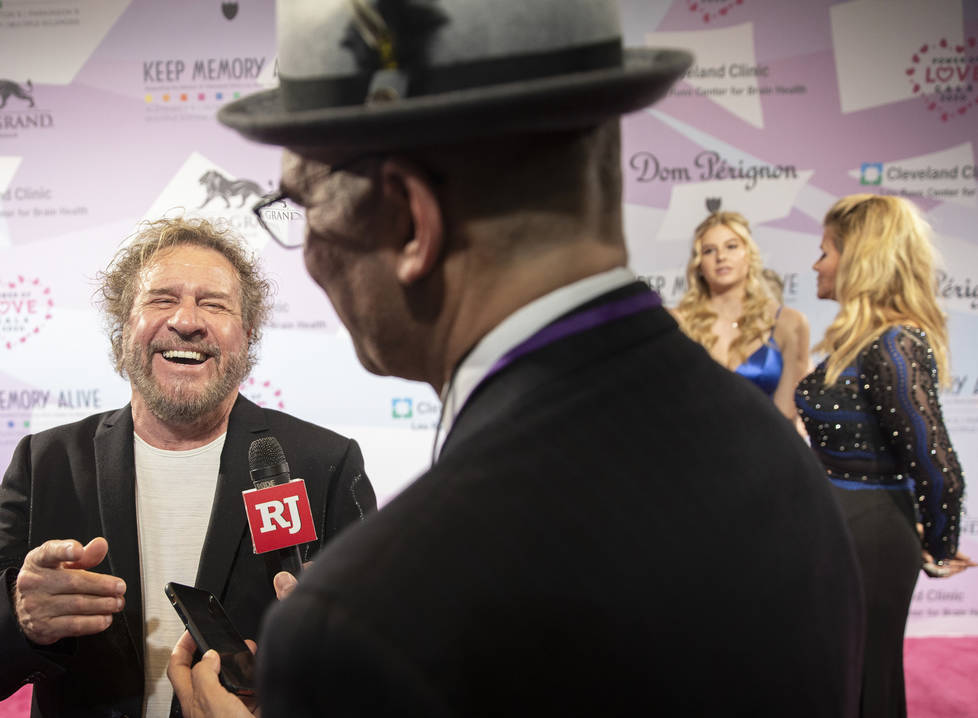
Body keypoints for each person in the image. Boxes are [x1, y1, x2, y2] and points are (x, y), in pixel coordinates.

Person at [170, 2, 864, 715]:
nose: (310, 255)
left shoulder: (369, 619)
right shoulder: (778, 455)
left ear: (410, 222)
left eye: (304, 204)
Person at [0, 217, 375, 718]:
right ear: (124, 328)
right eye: (162, 299)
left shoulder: (325, 462)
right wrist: (20, 615)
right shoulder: (47, 461)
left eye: (213, 302)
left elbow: (389, 663)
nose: (186, 321)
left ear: (247, 335)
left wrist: (340, 644)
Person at [797, 194, 974, 717]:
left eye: (825, 250)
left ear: (859, 257)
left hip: (868, 539)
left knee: (864, 681)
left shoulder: (896, 344)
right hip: (845, 528)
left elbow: (938, 465)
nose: (816, 263)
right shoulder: (863, 342)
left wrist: (938, 547)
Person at [672, 211, 810, 423]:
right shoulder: (679, 322)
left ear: (749, 254)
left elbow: (787, 417)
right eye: (709, 251)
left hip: (768, 448)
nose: (721, 257)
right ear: (699, 264)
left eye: (731, 246)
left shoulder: (788, 323)